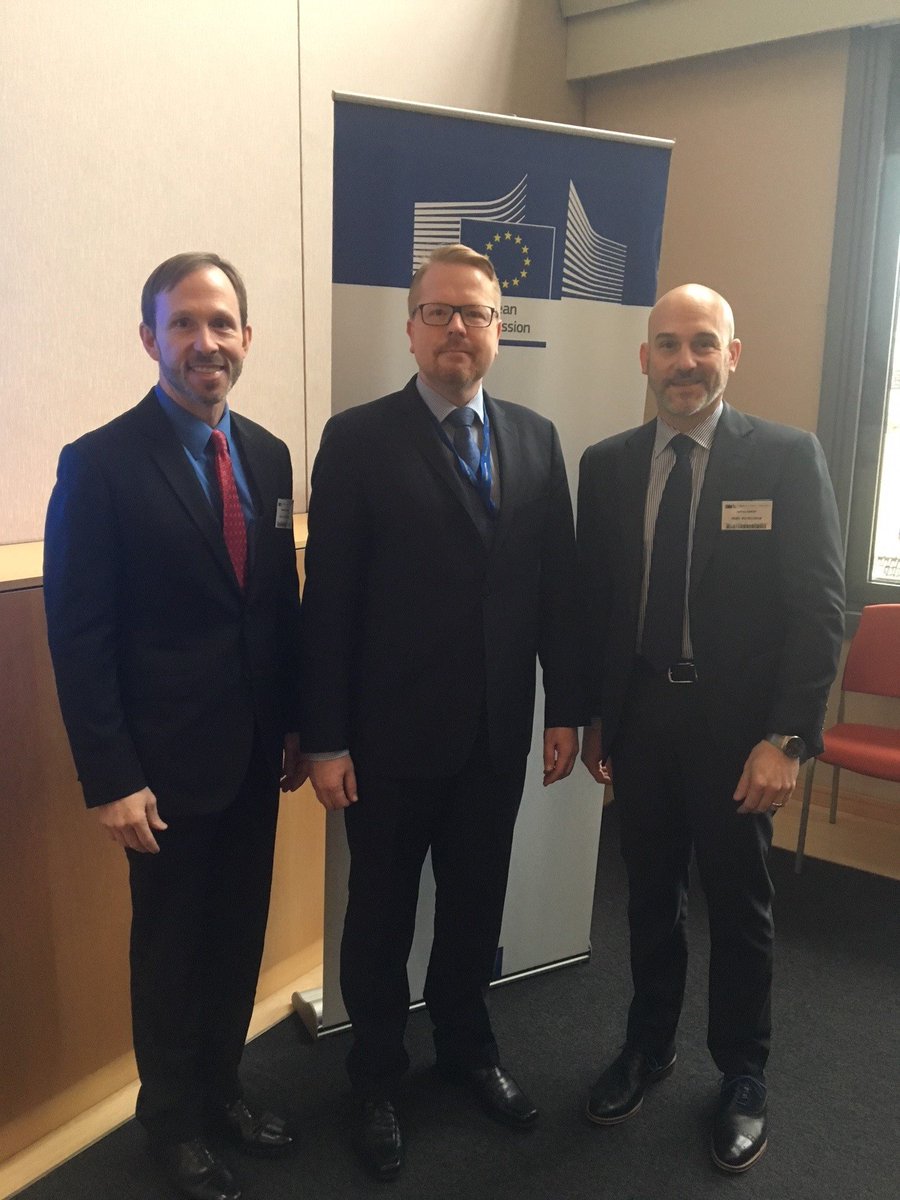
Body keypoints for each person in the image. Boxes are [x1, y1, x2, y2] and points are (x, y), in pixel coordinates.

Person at [299, 244, 583, 1179]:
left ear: (500, 331)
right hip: (385, 744)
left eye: (478, 314)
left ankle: (468, 1050)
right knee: (378, 919)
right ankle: (376, 1078)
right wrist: (328, 737)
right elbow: (328, 602)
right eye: (441, 313)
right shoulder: (358, 438)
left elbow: (556, 593)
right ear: (411, 326)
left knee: (473, 909)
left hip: (496, 736)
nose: (459, 329)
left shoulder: (538, 440)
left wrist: (564, 710)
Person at [43, 253, 306, 1200]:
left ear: (246, 337)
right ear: (151, 339)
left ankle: (224, 1088)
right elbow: (79, 634)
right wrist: (110, 777)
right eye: (184, 324)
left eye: (222, 323)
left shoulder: (269, 455)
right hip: (158, 772)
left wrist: (289, 725)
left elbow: (275, 605)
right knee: (170, 951)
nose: (206, 342)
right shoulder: (100, 464)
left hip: (251, 760)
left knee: (239, 937)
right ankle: (172, 1125)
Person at [577, 283, 844, 1173]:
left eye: (702, 344)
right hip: (644, 717)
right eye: (666, 344)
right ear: (643, 358)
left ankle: (743, 1074)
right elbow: (598, 606)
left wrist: (790, 738)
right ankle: (648, 1047)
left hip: (742, 734)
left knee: (739, 907)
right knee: (648, 895)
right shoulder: (607, 464)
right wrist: (594, 717)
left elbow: (820, 610)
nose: (683, 361)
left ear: (733, 355)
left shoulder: (785, 458)